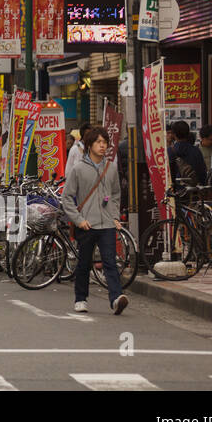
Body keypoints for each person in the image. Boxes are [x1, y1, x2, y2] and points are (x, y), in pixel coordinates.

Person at [60, 126, 128, 315]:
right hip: (86, 224)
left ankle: (116, 298)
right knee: (84, 262)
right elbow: (67, 198)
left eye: (104, 142)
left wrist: (115, 216)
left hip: (107, 223)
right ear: (89, 145)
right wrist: (78, 219)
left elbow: (115, 193)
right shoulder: (78, 169)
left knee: (110, 262)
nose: (102, 146)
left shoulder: (111, 167)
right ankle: (81, 298)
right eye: (98, 142)